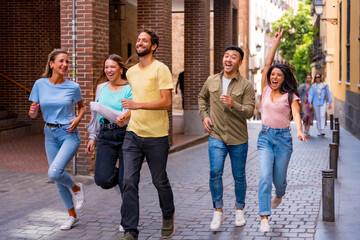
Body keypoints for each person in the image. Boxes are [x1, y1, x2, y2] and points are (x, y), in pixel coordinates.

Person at [119, 28, 175, 240]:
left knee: (159, 180)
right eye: (138, 39)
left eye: (145, 40)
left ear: (153, 46)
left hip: (156, 136)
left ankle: (168, 215)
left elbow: (166, 102)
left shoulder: (161, 69)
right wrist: (127, 114)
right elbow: (135, 102)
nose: (140, 42)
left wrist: (137, 105)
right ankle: (130, 230)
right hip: (133, 134)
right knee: (128, 181)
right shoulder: (131, 72)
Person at [198, 46, 255, 231]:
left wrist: (234, 104)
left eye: (233, 57)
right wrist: (204, 116)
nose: (228, 59)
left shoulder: (245, 85)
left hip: (238, 138)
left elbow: (250, 112)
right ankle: (218, 211)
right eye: (226, 56)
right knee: (215, 173)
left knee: (239, 176)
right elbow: (202, 98)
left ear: (240, 62)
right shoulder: (211, 80)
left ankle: (239, 209)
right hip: (216, 135)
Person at [28, 49, 85, 230]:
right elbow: (34, 111)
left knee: (54, 172)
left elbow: (82, 108)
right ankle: (72, 216)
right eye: (61, 61)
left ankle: (76, 188)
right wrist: (32, 112)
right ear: (51, 63)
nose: (65, 65)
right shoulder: (40, 84)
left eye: (67, 62)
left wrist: (77, 118)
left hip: (68, 134)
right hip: (49, 133)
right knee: (58, 178)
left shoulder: (73, 87)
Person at [257, 28, 307, 232]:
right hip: (265, 138)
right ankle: (264, 217)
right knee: (263, 177)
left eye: (279, 75)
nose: (274, 77)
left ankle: (280, 194)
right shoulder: (266, 89)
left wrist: (299, 131)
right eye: (273, 75)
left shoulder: (290, 95)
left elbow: (296, 115)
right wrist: (274, 43)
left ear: (284, 78)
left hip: (284, 139)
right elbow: (267, 64)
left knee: (279, 179)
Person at [86, 54, 132, 232]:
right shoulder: (101, 87)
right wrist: (92, 136)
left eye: (112, 67)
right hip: (105, 134)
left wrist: (100, 107)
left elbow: (123, 118)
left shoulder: (129, 88)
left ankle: (126, 221)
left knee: (126, 182)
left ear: (120, 68)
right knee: (102, 179)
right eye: (106, 67)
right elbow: (96, 117)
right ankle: (121, 178)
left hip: (124, 134)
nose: (109, 70)